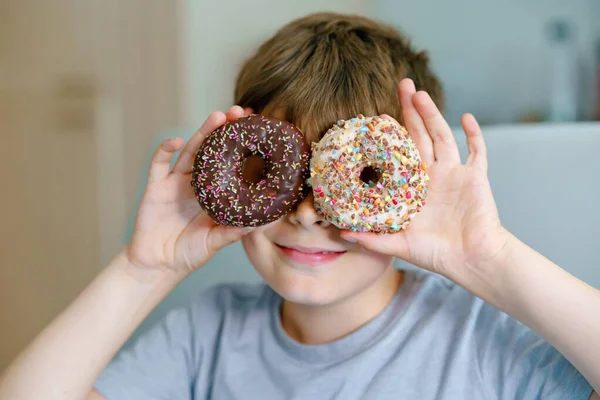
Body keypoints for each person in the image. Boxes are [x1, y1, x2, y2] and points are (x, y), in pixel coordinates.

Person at [0, 12, 598, 400]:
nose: (309, 213)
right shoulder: (207, 337)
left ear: (407, 189)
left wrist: (486, 257)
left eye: (342, 183)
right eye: (279, 175)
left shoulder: (483, 347)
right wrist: (143, 270)